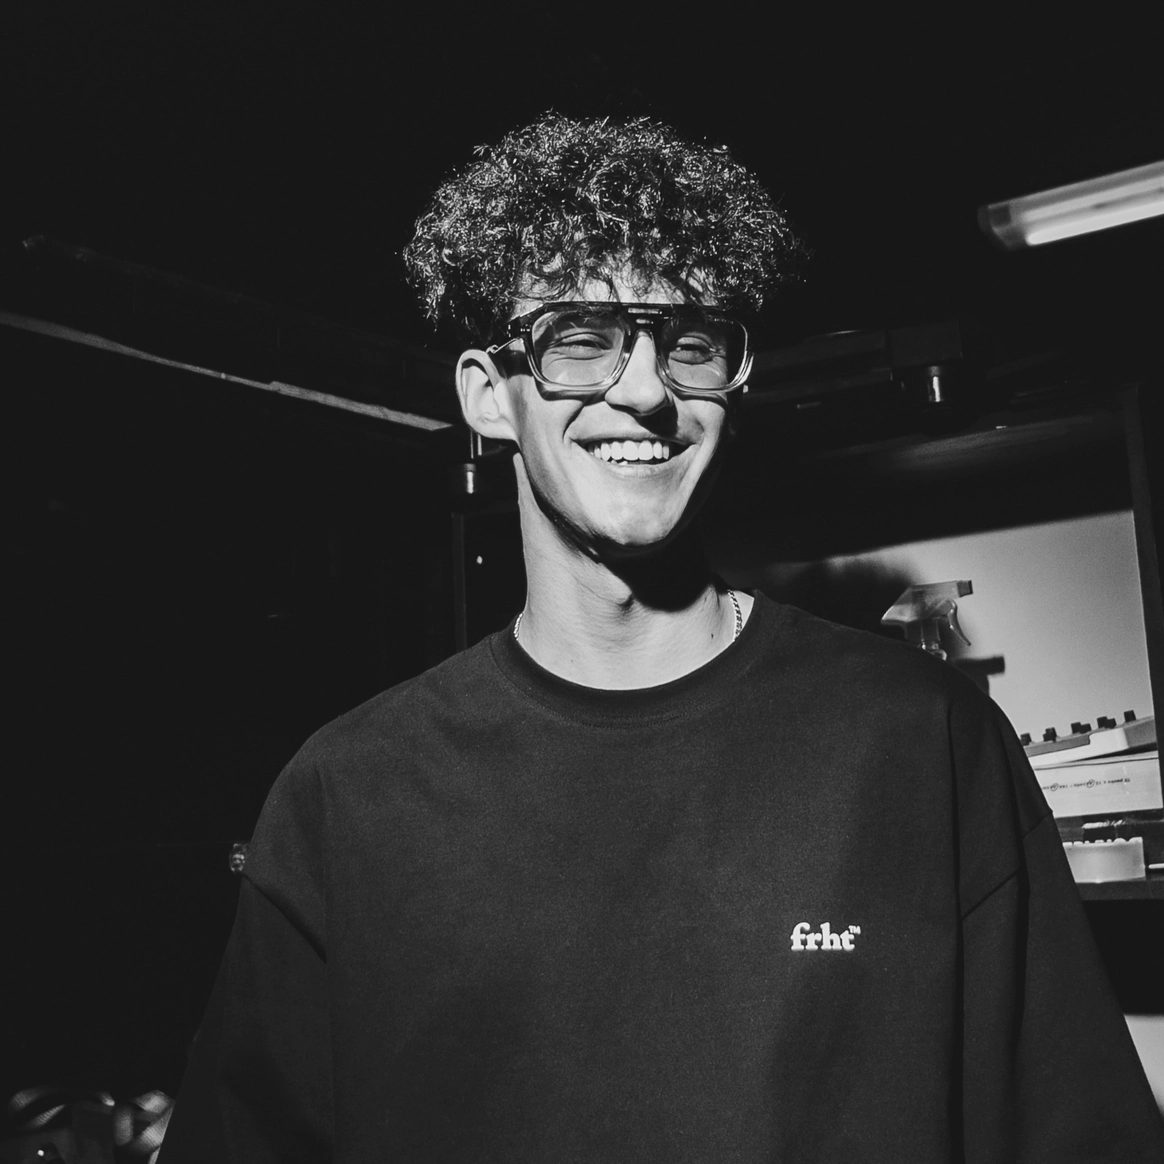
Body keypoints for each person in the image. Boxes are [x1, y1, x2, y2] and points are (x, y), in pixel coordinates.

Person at [158, 113, 1164, 1162]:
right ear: (489, 397)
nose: (645, 391)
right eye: (579, 339)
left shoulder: (921, 744)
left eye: (688, 345)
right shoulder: (349, 799)